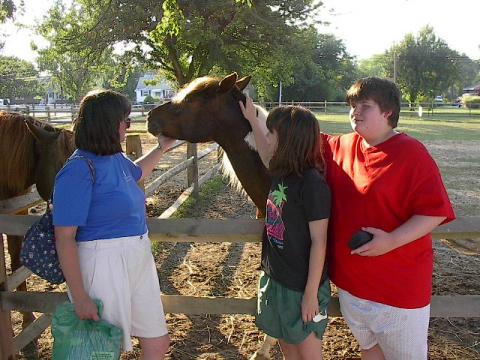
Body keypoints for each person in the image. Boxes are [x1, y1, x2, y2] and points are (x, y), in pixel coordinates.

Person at [242, 77, 455, 360]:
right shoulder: (339, 146)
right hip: (352, 289)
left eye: (365, 106)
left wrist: (392, 240)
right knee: (371, 352)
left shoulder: (412, 153)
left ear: (388, 112)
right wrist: (252, 119)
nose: (355, 111)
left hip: (397, 293)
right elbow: (281, 144)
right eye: (353, 105)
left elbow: (434, 211)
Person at [53, 89, 174, 359]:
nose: (128, 126)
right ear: (107, 123)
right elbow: (64, 237)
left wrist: (162, 147)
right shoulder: (78, 170)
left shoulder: (115, 158)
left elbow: (137, 172)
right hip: (102, 262)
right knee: (103, 348)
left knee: (158, 342)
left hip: (138, 254)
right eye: (125, 120)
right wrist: (80, 296)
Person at [240, 102, 331, 359]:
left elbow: (319, 242)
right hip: (277, 279)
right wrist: (252, 120)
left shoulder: (312, 185)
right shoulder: (281, 172)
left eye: (272, 134)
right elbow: (265, 152)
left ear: (289, 140)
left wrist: (311, 294)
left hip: (302, 286)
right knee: (288, 353)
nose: (267, 138)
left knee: (308, 354)